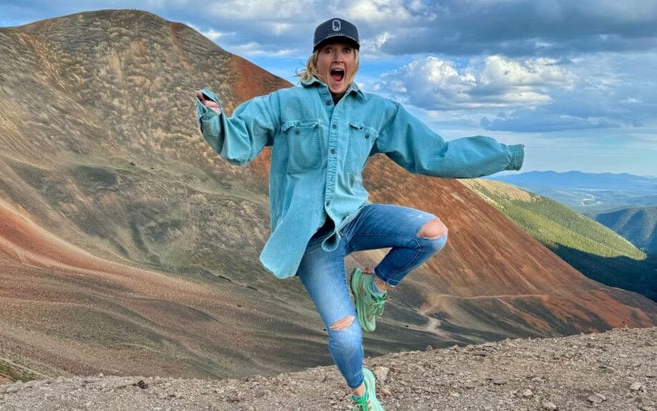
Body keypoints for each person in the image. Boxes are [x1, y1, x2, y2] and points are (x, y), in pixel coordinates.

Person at [195, 17, 524, 411]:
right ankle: (360, 393)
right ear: (316, 59)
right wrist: (214, 119)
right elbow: (239, 143)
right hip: (312, 238)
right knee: (347, 338)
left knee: (433, 233)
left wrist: (505, 156)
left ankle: (374, 287)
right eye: (330, 51)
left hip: (355, 218)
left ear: (356, 59)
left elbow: (436, 153)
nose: (338, 58)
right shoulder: (284, 104)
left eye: (346, 51)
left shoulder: (378, 112)